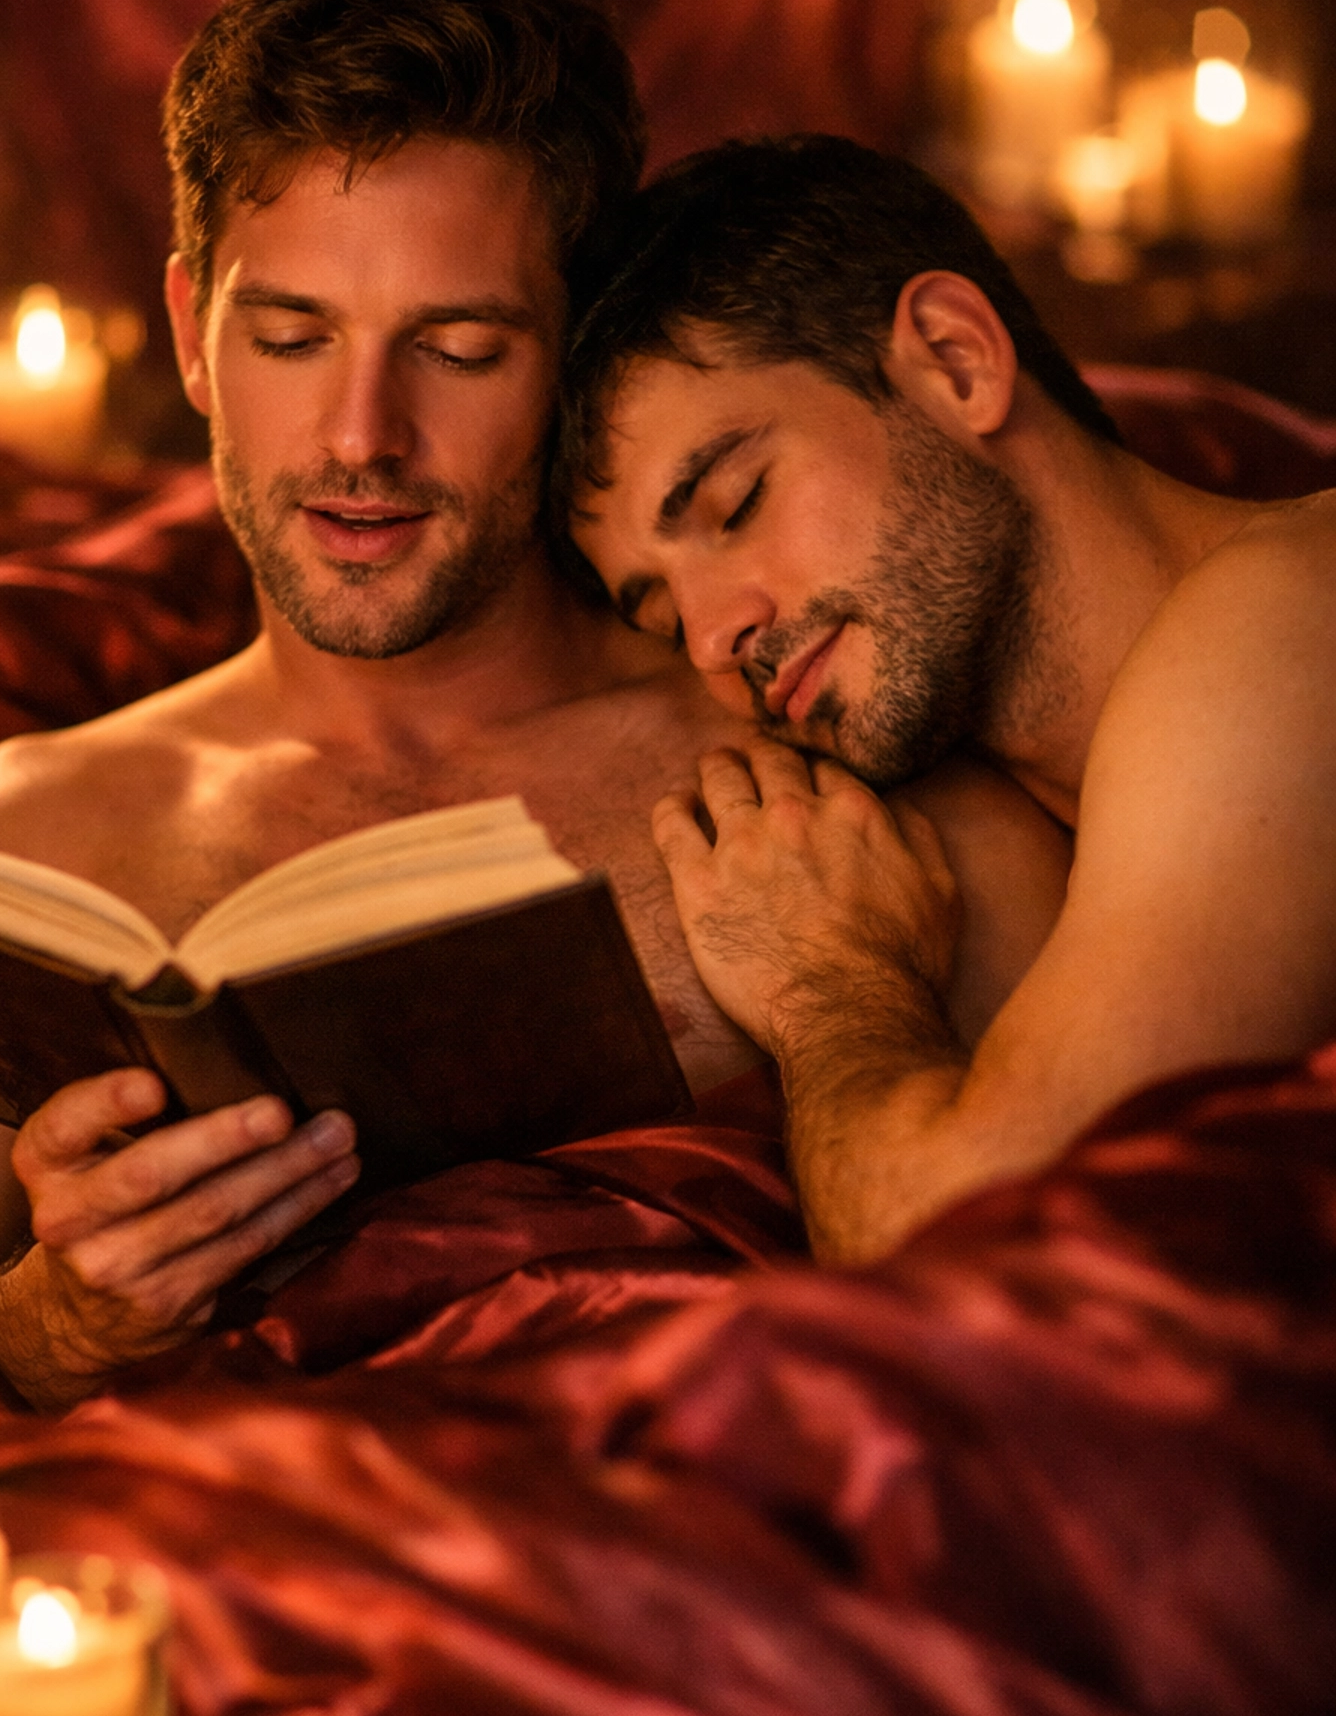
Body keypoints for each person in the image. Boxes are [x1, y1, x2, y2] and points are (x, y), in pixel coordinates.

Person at [0, 0, 1067, 1409]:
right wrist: (57, 1327)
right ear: (189, 336)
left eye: (459, 350)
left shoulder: (834, 764)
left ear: (575, 356)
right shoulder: (4, 858)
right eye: (288, 339)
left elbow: (1095, 1316)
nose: (360, 437)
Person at [561, 132, 1336, 1267]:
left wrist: (828, 987)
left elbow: (976, 1262)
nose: (719, 640)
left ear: (956, 359)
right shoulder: (1017, 827)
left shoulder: (1279, 623)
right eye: (663, 618)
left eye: (735, 504)